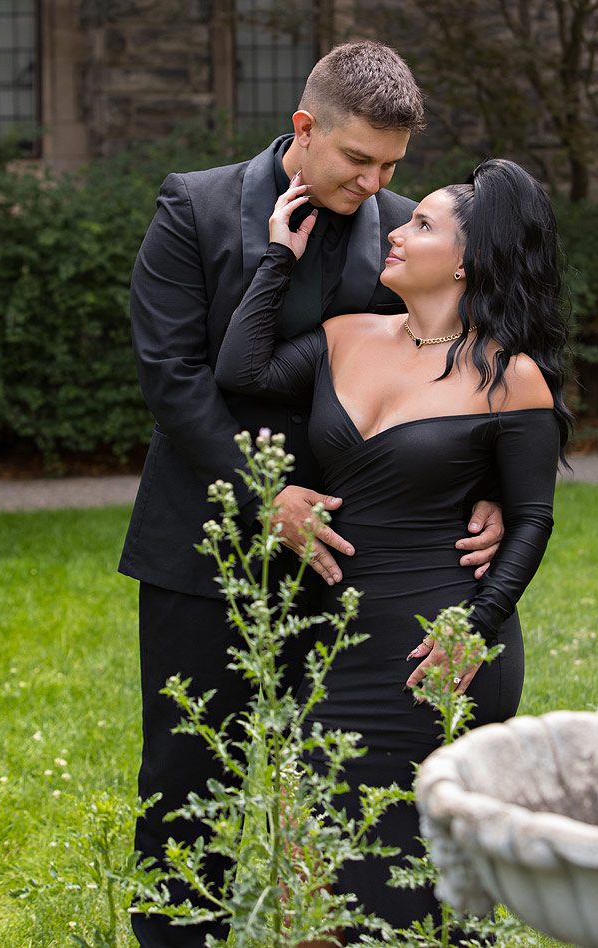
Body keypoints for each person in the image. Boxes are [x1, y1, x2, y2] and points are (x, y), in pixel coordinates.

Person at [119, 41, 505, 948]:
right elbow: (172, 380)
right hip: (202, 544)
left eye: (390, 167)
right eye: (356, 160)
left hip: (357, 554)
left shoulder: (413, 229)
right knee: (185, 773)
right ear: (304, 129)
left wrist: (489, 486)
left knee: (347, 776)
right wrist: (267, 497)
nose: (375, 183)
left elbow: (460, 367)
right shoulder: (197, 205)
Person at [214, 157, 572, 938]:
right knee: (308, 879)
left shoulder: (512, 379)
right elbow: (240, 368)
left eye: (421, 224)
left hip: (435, 651)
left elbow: (533, 517)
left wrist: (472, 630)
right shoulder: (345, 335)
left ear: (468, 260)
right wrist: (279, 256)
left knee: (422, 894)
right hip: (332, 641)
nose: (399, 231)